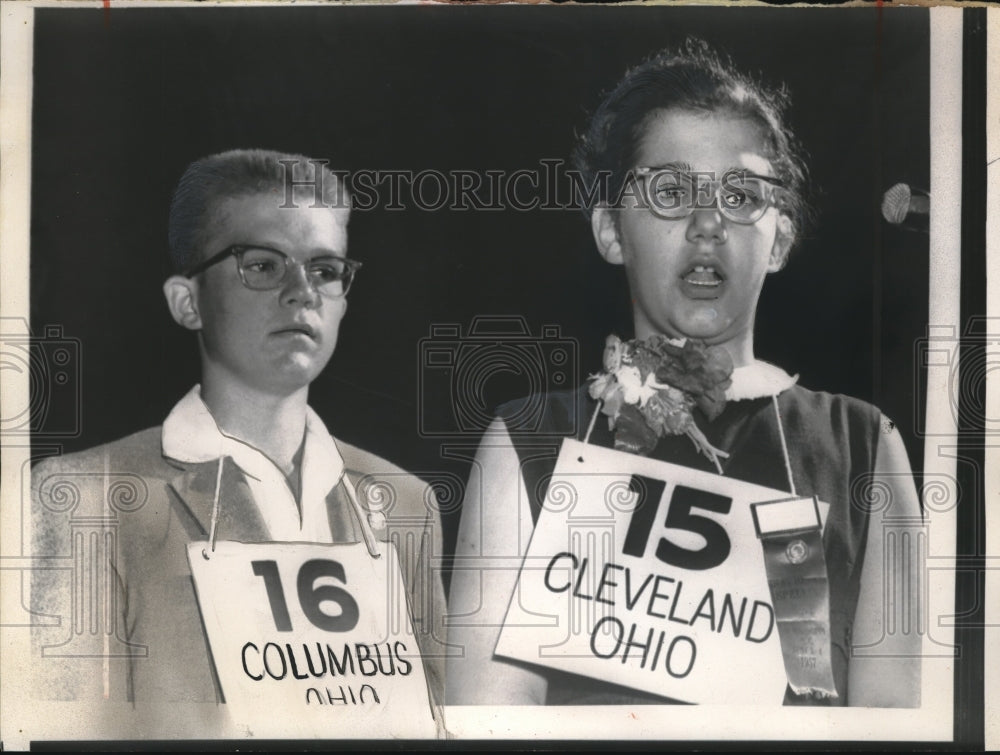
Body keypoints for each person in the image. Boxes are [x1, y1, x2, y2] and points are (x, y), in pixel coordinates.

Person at [446, 41, 922, 707]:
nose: (706, 223)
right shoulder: (529, 440)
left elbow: (892, 723)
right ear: (612, 230)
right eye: (670, 191)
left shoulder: (865, 446)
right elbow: (490, 718)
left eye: (742, 193)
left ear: (780, 237)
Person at [29, 149, 446, 734]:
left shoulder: (407, 504)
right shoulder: (81, 498)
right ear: (188, 301)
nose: (303, 291)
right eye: (264, 265)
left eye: (325, 269)